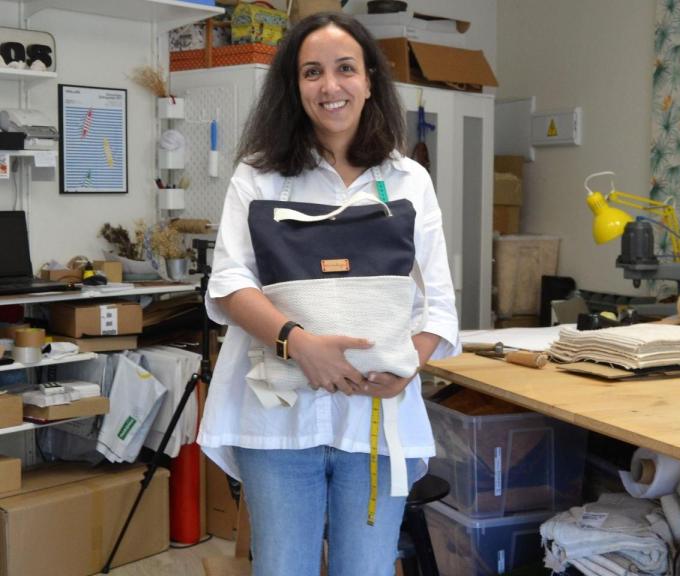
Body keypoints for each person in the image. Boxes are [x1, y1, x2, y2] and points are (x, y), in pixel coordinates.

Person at [197, 12, 459, 576]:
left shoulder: (408, 181)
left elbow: (437, 300)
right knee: (283, 567)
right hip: (278, 417)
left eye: (345, 69)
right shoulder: (260, 177)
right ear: (294, 88)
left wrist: (408, 366)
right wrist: (299, 344)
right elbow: (229, 282)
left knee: (364, 569)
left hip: (377, 418)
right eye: (312, 72)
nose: (330, 86)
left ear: (369, 81)